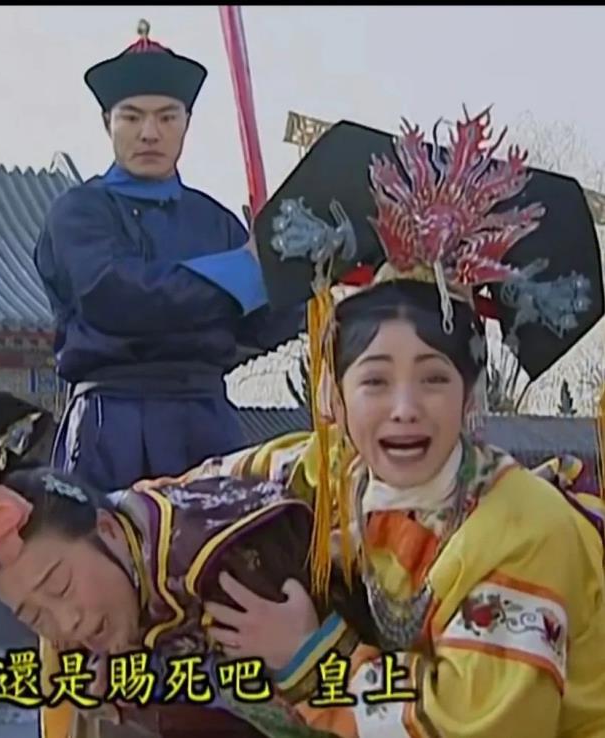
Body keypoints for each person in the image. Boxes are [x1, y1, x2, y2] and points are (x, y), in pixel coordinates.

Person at [167, 109, 605, 736]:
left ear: (471, 394)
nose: (404, 407)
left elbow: (468, 727)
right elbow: (193, 493)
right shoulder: (335, 475)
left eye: (433, 379)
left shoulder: (522, 530)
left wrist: (308, 655)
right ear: (334, 395)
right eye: (374, 380)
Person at [0, 392, 338, 738]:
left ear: (109, 530)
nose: (67, 622)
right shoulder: (78, 634)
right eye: (34, 616)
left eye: (60, 586)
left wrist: (303, 657)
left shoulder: (227, 560)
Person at [33, 20, 303, 492]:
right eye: (132, 117)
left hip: (207, 422)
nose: (150, 133)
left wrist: (296, 272)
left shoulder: (217, 222)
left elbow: (260, 327)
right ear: (107, 122)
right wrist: (242, 272)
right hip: (110, 424)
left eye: (167, 117)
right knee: (108, 538)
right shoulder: (79, 211)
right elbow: (117, 296)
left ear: (186, 123)